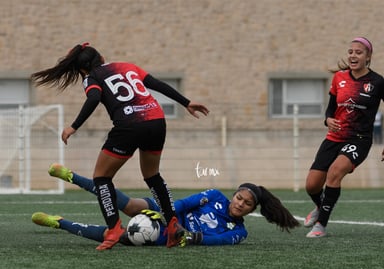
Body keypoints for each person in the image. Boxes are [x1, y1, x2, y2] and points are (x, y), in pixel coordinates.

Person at [31, 43, 209, 250]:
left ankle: (114, 228)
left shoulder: (91, 78)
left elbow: (94, 97)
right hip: (156, 120)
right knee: (152, 175)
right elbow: (156, 84)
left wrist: (74, 126)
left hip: (129, 125)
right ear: (102, 57)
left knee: (101, 178)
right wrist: (185, 102)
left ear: (81, 69)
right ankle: (171, 225)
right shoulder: (126, 66)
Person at [32, 164, 300, 246]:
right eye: (239, 197)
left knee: (118, 237)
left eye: (246, 204)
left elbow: (213, 240)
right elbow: (185, 203)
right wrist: (165, 214)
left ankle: (59, 222)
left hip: (171, 235)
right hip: (167, 212)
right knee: (129, 205)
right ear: (234, 195)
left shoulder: (239, 233)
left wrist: (185, 234)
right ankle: (72, 177)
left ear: (252, 210)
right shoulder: (216, 195)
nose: (240, 204)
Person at [303, 37, 384, 238]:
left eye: (358, 52)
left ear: (368, 57)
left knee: (335, 172)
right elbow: (330, 109)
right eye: (350, 52)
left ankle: (321, 225)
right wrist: (327, 120)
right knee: (311, 185)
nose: (353, 56)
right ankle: (321, 207)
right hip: (334, 137)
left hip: (359, 139)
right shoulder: (339, 77)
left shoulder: (378, 82)